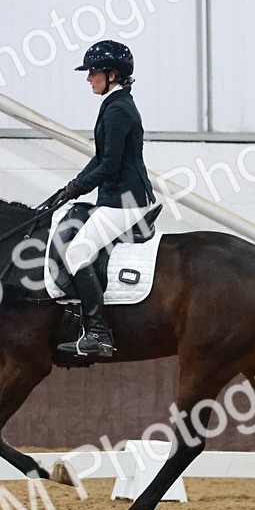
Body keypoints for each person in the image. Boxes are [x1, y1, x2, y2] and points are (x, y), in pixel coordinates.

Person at [52, 40, 157, 357]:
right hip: (118, 196)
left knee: (76, 253)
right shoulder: (115, 104)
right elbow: (101, 157)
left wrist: (78, 187)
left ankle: (99, 334)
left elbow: (109, 165)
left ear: (112, 74)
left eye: (93, 72)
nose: (89, 79)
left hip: (125, 200)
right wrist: (72, 186)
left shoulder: (118, 110)